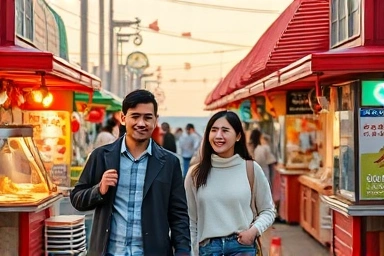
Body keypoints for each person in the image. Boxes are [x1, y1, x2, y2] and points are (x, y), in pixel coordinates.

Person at [70, 89, 191, 255]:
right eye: (135, 116)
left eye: (148, 117)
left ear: (156, 120)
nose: (141, 123)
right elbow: (76, 198)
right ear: (123, 118)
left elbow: (179, 215)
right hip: (110, 251)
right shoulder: (102, 156)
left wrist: (183, 251)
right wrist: (99, 190)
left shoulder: (169, 163)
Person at [184, 110, 275, 256]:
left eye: (225, 130)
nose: (218, 136)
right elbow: (190, 220)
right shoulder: (195, 174)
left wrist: (253, 231)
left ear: (238, 136)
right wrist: (193, 252)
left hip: (241, 248)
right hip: (207, 249)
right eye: (214, 130)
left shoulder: (250, 169)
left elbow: (268, 210)